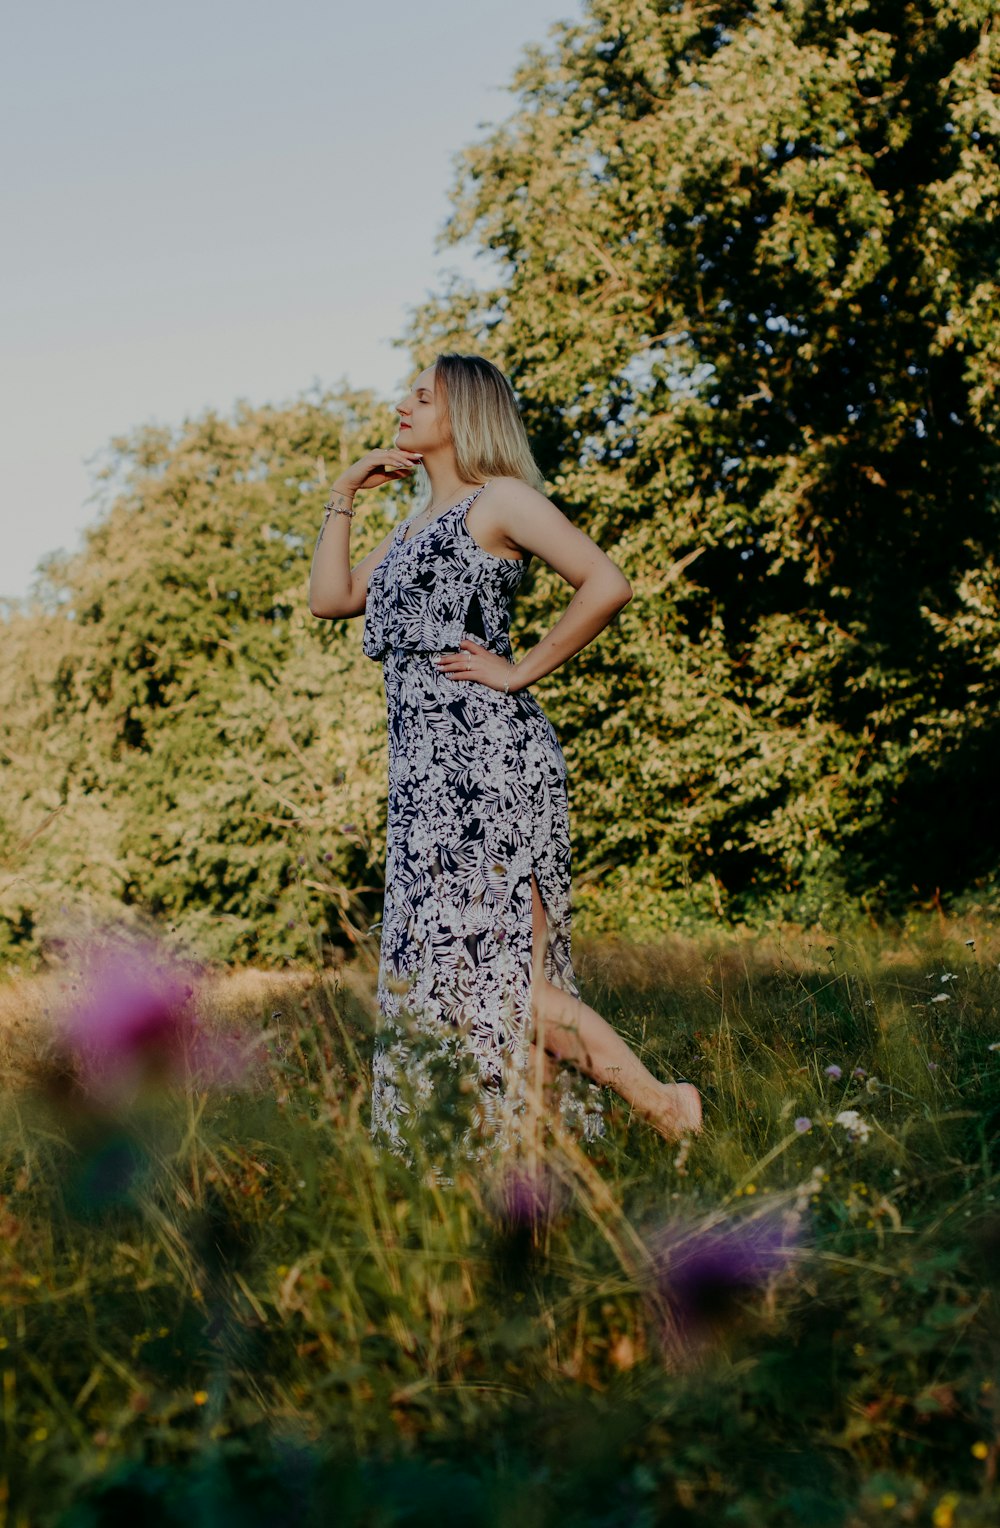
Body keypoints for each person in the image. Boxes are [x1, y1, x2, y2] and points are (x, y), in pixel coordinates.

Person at [309, 352, 702, 1157]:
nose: (404, 403)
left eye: (425, 395)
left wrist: (519, 669)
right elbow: (331, 599)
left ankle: (665, 1107)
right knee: (462, 983)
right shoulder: (413, 527)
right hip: (422, 785)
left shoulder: (502, 502)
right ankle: (512, 1153)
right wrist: (344, 495)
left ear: (468, 412)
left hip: (490, 767)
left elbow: (605, 582)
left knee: (508, 985)